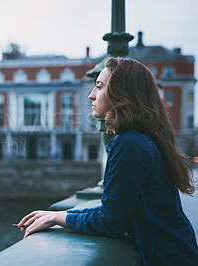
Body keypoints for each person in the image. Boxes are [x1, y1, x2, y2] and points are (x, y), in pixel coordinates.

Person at [17, 57, 198, 266]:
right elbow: (114, 209)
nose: (91, 95)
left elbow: (109, 222)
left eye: (99, 87)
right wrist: (62, 214)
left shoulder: (129, 143)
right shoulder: (145, 139)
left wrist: (57, 218)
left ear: (122, 94)